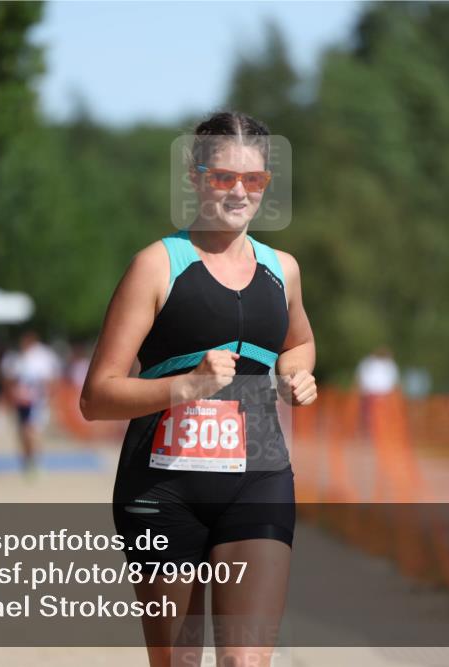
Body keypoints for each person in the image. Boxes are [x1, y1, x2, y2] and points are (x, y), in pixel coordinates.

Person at [80, 111, 316, 666]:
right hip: (164, 491)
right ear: (195, 177)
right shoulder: (157, 266)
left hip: (258, 479)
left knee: (245, 660)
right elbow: (97, 396)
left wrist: (295, 375)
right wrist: (187, 385)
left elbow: (300, 343)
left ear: (266, 185)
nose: (238, 191)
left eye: (252, 179)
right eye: (222, 177)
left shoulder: (283, 269)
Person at [7, 330, 61, 473]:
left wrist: (47, 397)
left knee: (31, 430)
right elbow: (11, 379)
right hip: (22, 401)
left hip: (36, 402)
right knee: (23, 431)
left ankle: (34, 460)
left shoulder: (41, 358)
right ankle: (27, 459)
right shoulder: (19, 358)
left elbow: (50, 380)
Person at [355, 345, 399, 438]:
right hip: (371, 394)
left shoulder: (389, 364)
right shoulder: (369, 363)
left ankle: (379, 432)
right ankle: (368, 433)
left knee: (380, 416)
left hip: (382, 394)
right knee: (368, 416)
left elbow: (392, 380)